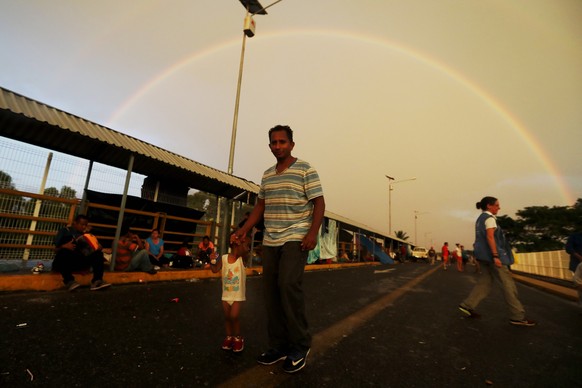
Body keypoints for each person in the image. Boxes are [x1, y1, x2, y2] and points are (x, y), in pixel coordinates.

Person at [232, 124, 325, 374]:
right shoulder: (267, 175)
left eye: (282, 142)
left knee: (287, 285)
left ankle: (300, 344)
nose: (278, 146)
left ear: (292, 144)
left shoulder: (306, 169)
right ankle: (279, 345)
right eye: (274, 142)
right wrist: (245, 229)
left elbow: (319, 203)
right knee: (271, 292)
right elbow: (260, 207)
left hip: (296, 237)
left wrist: (312, 233)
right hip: (271, 239)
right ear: (270, 146)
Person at [459, 196, 535, 326]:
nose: (499, 208)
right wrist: (496, 256)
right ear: (489, 205)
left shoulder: (480, 219)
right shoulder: (490, 219)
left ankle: (467, 305)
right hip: (493, 258)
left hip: (482, 257)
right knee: (508, 285)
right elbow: (490, 237)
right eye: (497, 205)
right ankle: (517, 316)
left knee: (485, 283)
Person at [210, 234, 249, 353]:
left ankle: (238, 337)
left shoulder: (243, 259)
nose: (248, 248)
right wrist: (212, 259)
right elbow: (215, 269)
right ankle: (229, 336)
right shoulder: (223, 258)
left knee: (233, 316)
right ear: (237, 244)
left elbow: (245, 253)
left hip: (237, 296)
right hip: (226, 295)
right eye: (246, 245)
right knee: (227, 317)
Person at [52, 214, 111, 291]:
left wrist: (98, 247)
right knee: (64, 252)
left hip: (78, 261)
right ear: (75, 223)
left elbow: (91, 250)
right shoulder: (64, 231)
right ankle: (69, 281)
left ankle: (97, 281)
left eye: (85, 225)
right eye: (82, 224)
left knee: (98, 254)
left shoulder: (85, 235)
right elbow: (55, 249)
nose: (83, 227)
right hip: (65, 262)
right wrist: (64, 246)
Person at [565, 225, 582, 310]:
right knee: (580, 286)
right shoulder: (574, 236)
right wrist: (579, 257)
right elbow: (568, 248)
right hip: (577, 265)